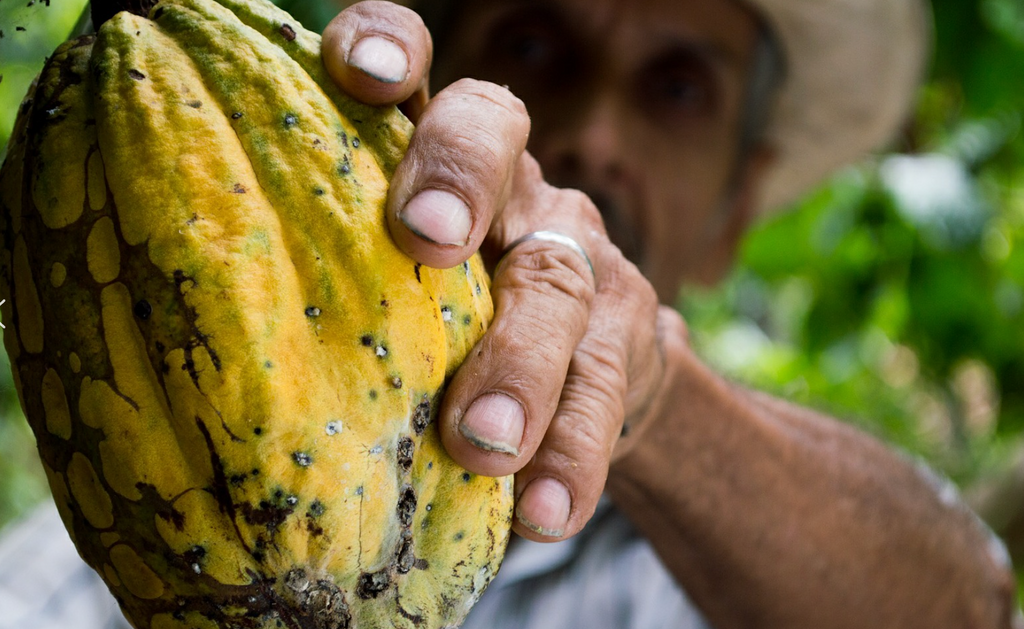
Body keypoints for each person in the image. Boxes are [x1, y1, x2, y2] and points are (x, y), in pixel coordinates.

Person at [0, 0, 1018, 627]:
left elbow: (966, 606)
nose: (591, 132)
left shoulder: (727, 569)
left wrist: (651, 396)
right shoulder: (159, 500)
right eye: (534, 38)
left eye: (675, 87)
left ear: (733, 211)